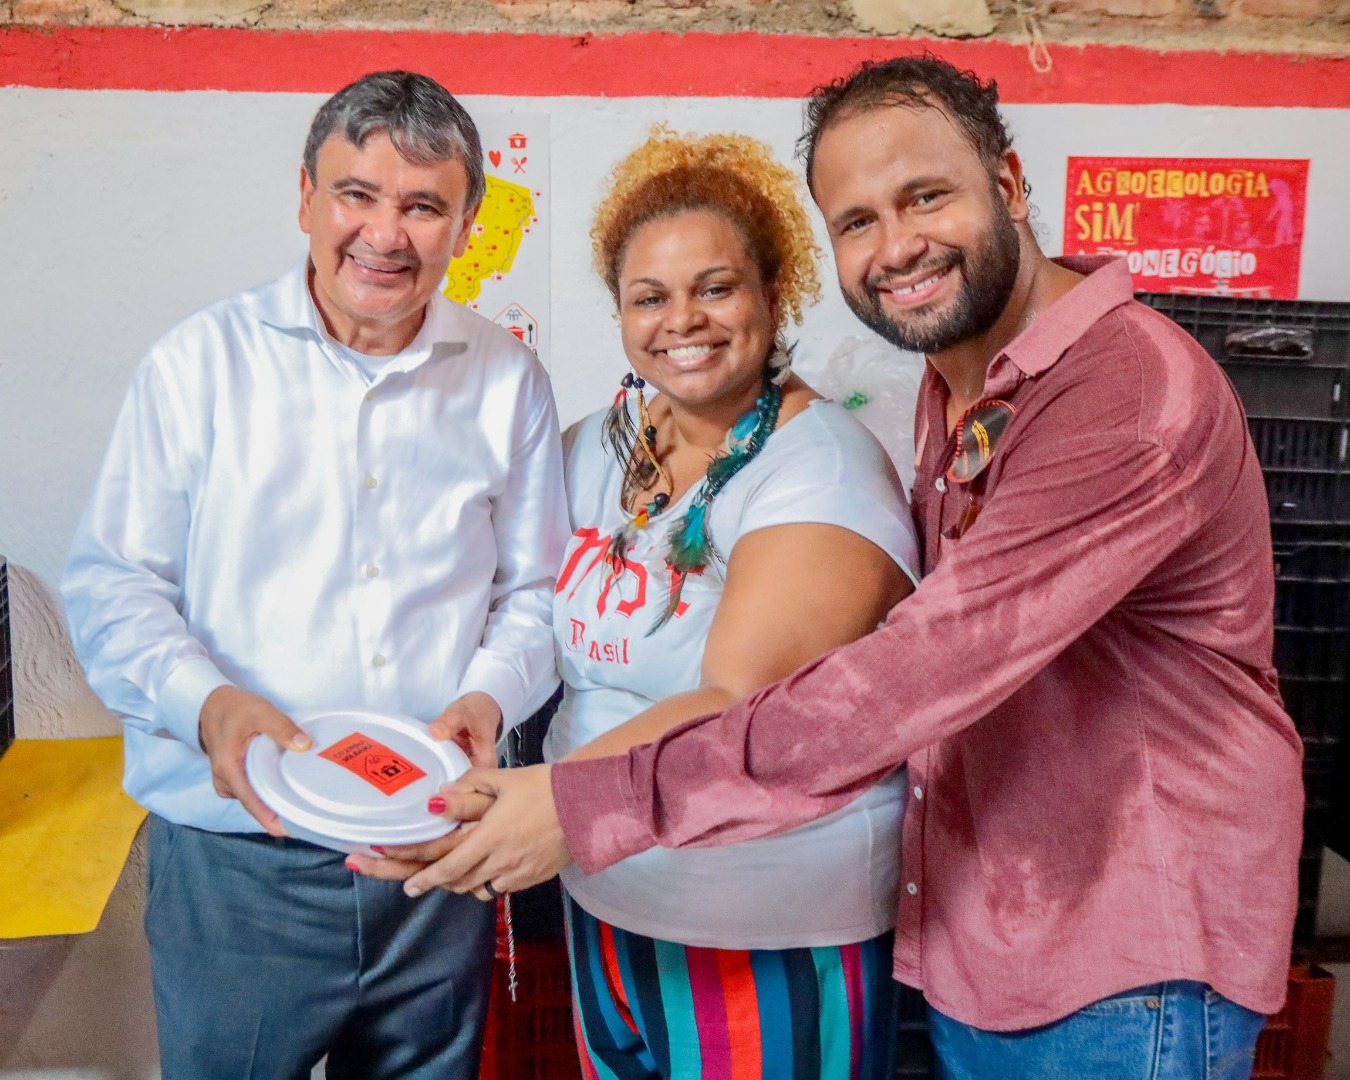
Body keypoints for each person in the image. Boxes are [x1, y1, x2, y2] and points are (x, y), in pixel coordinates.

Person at [396, 57, 1305, 1080]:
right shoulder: (962, 385)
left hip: (1122, 957)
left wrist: (579, 804)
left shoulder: (1123, 394)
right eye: (858, 220)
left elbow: (909, 676)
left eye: (926, 196)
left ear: (1008, 185)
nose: (896, 245)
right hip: (984, 928)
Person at [353, 127, 920, 1079]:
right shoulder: (600, 446)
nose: (681, 320)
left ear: (774, 291)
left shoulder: (819, 470)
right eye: (649, 297)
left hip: (759, 926)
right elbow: (525, 601)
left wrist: (529, 806)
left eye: (716, 288)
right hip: (606, 896)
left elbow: (735, 704)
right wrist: (476, 712)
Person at [61, 70, 567, 1079]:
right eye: (356, 195)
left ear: (466, 225)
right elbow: (113, 585)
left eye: (423, 206)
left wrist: (488, 695)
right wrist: (206, 704)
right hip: (238, 862)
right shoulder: (198, 365)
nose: (385, 234)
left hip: (433, 853)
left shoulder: (507, 380)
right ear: (305, 198)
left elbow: (539, 591)